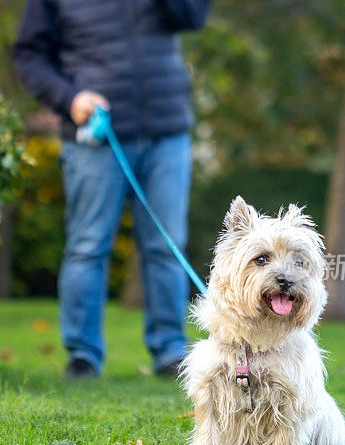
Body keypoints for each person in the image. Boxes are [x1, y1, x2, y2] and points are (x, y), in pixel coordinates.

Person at [12, 0, 210, 378]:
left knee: (167, 247)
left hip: (167, 130)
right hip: (96, 137)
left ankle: (171, 353)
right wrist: (69, 99)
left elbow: (193, 16)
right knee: (88, 246)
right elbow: (28, 54)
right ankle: (83, 356)